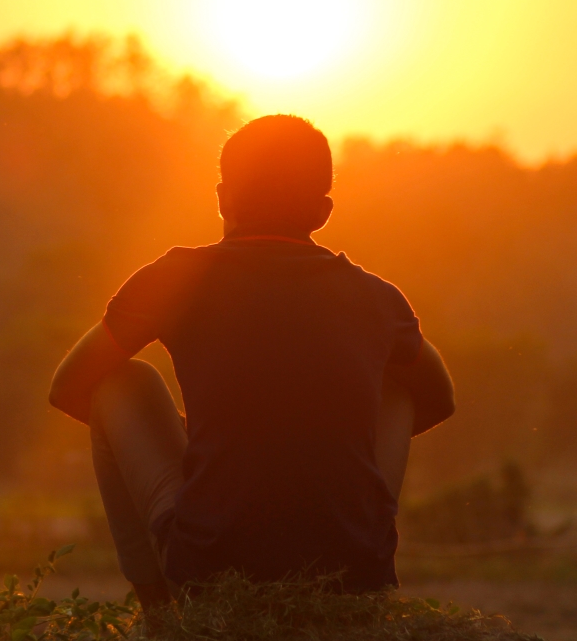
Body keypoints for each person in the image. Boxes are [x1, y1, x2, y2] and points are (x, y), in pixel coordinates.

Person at [49, 115, 454, 607]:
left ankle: (161, 613)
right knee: (400, 386)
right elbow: (438, 397)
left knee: (119, 383)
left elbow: (70, 385)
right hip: (351, 571)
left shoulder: (177, 278)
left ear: (223, 197)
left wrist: (209, 437)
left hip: (211, 566)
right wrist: (317, 435)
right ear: (323, 212)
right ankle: (361, 578)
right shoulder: (376, 298)